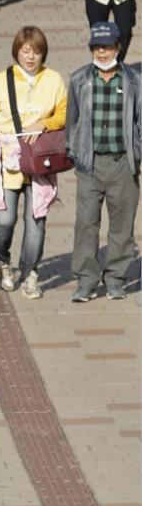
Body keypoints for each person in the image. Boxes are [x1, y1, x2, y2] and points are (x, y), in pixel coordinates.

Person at [0, 25, 68, 297]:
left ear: (43, 54)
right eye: (25, 51)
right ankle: (2, 261)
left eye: (36, 52)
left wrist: (45, 123)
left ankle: (30, 272)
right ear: (16, 51)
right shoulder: (0, 81)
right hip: (6, 159)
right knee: (4, 219)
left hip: (40, 161)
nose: (30, 57)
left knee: (36, 219)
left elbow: (65, 114)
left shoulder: (54, 80)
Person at [67, 20, 140, 301]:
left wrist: (137, 152)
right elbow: (71, 122)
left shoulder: (134, 80)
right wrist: (75, 153)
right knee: (86, 222)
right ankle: (86, 279)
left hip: (124, 163)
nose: (102, 53)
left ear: (118, 48)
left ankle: (115, 278)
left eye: (107, 47)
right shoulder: (79, 79)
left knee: (122, 223)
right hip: (91, 163)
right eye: (97, 47)